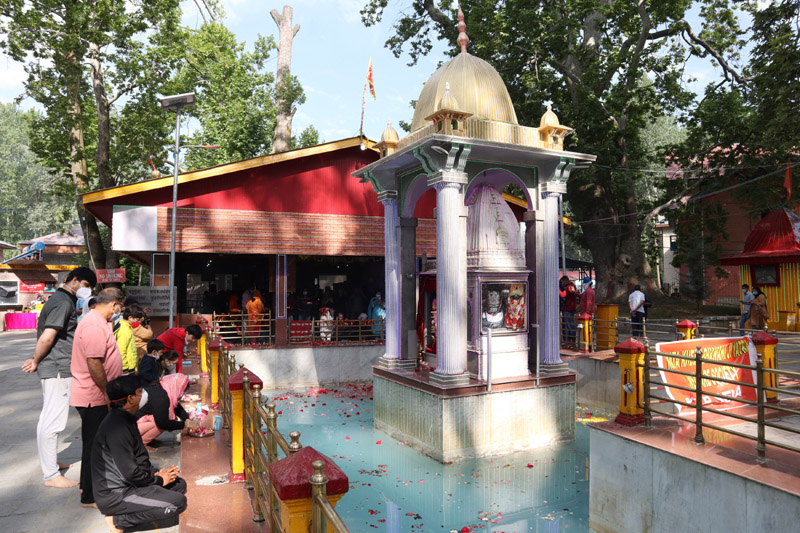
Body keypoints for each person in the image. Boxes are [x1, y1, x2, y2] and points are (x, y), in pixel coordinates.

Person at [21, 266, 97, 489]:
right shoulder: (63, 302)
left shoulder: (62, 300)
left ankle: (50, 463)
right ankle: (51, 475)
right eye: (85, 285)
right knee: (53, 420)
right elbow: (48, 336)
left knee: (50, 417)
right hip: (57, 367)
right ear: (73, 280)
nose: (86, 290)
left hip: (58, 366)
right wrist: (35, 360)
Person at [92, 375, 187, 532]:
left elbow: (138, 460)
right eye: (140, 392)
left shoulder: (126, 418)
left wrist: (157, 476)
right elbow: (130, 473)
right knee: (177, 503)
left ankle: (144, 497)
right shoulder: (117, 428)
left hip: (134, 483)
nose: (144, 395)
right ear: (130, 399)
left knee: (179, 484)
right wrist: (158, 481)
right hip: (117, 494)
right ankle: (118, 520)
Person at [71, 287, 125, 506]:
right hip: (94, 395)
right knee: (94, 445)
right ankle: (90, 495)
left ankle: (89, 486)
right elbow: (94, 362)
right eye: (119, 307)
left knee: (97, 443)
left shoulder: (100, 322)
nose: (118, 311)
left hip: (97, 393)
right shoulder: (93, 324)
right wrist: (105, 391)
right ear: (114, 304)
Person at [136, 373, 200, 446]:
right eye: (182, 391)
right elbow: (162, 423)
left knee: (161, 418)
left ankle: (147, 440)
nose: (182, 394)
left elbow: (177, 407)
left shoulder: (164, 389)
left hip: (134, 424)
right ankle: (141, 444)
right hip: (132, 428)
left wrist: (187, 419)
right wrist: (185, 424)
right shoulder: (161, 396)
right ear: (177, 387)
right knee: (160, 422)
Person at [113, 305, 137, 375]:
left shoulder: (125, 327)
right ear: (130, 318)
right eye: (137, 319)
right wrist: (125, 370)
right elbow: (121, 351)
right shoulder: (124, 330)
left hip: (130, 367)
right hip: (127, 370)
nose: (138, 322)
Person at [559, 276, 578, 344]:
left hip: (568, 309)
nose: (562, 284)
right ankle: (572, 340)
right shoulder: (573, 286)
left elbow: (563, 295)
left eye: (562, 282)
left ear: (565, 281)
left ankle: (569, 341)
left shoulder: (568, 287)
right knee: (571, 324)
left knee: (568, 325)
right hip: (572, 308)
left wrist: (557, 289)